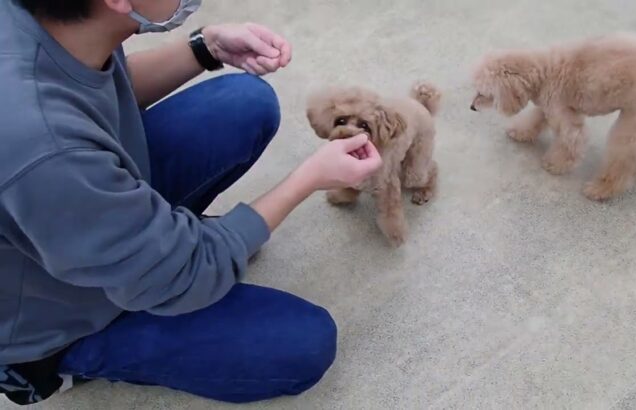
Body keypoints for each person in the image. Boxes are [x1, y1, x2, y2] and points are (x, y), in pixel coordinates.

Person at [0, 0, 382, 405]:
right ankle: (45, 364)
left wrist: (205, 48)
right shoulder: (46, 148)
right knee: (303, 343)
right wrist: (308, 178)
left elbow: (96, 86)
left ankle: (152, 237)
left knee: (242, 103)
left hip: (80, 210)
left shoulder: (48, 23)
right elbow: (188, 272)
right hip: (52, 313)